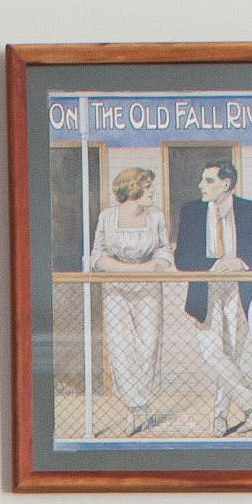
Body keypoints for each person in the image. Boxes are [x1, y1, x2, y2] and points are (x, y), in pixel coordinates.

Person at [174, 154, 252, 435]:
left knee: (231, 353)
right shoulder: (191, 211)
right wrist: (215, 266)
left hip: (239, 289)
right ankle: (251, 403)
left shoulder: (249, 209)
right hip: (206, 287)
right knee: (212, 351)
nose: (200, 186)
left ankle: (219, 417)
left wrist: (239, 262)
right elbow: (182, 258)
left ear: (226, 184)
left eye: (208, 181)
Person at [88, 165, 173, 436]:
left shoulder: (156, 216)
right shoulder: (107, 216)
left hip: (149, 288)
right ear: (133, 188)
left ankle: (142, 403)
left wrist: (151, 267)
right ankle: (133, 406)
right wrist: (122, 269)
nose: (152, 191)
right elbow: (97, 255)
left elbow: (164, 252)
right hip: (115, 288)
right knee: (119, 346)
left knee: (148, 344)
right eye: (148, 186)